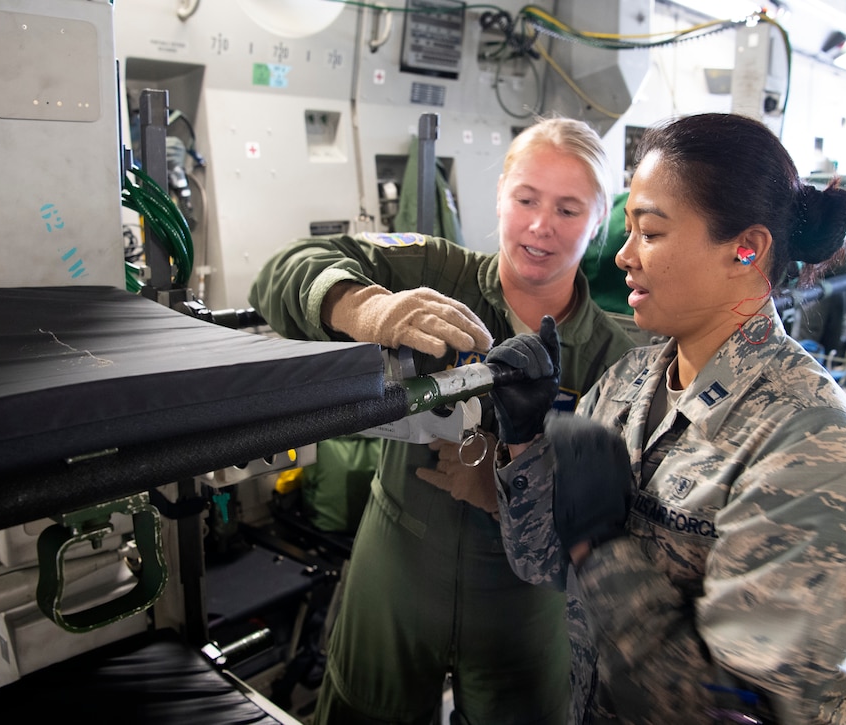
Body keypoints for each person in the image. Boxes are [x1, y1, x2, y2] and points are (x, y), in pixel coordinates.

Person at [486, 113, 846, 724]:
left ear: (746, 248)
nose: (624, 256)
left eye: (649, 233)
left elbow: (720, 710)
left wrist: (602, 548)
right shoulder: (629, 382)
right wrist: (524, 445)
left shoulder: (813, 445)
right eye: (627, 230)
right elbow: (541, 563)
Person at [248, 116, 635, 724]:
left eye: (568, 209)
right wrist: (366, 306)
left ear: (600, 219)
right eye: (526, 199)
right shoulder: (434, 275)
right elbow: (282, 270)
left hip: (526, 604)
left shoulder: (615, 358)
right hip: (398, 569)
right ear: (500, 196)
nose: (540, 226)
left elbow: (622, 528)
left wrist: (506, 494)